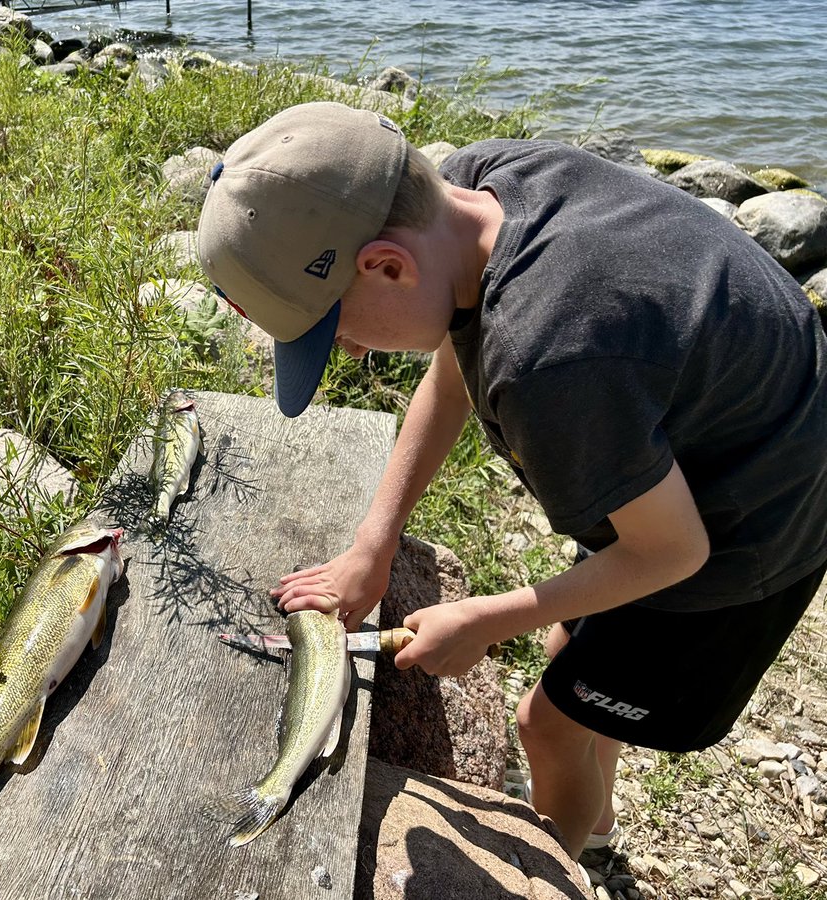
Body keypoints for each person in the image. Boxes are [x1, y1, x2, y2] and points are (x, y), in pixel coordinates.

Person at [194, 100, 827, 858]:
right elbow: (455, 373)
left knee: (546, 725)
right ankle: (595, 816)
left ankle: (560, 863)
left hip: (748, 529)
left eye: (340, 329)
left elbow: (673, 553)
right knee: (570, 656)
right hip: (698, 438)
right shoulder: (476, 188)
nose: (353, 354)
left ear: (387, 265)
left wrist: (486, 620)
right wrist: (374, 541)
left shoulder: (550, 364)